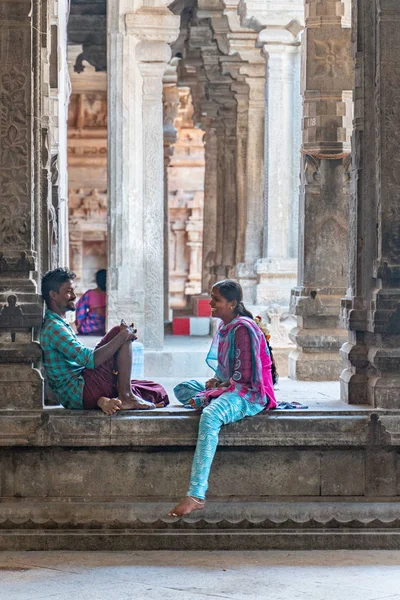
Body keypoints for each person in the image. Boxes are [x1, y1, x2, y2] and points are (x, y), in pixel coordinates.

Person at [169, 279, 277, 518]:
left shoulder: (243, 328)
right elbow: (226, 371)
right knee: (182, 388)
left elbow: (244, 376)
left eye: (216, 299)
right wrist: (216, 383)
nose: (211, 303)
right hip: (231, 387)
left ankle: (196, 494)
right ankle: (210, 398)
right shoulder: (226, 328)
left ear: (232, 303)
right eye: (212, 298)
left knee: (210, 416)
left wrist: (218, 388)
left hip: (249, 394)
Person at [40, 268, 169, 415]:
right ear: (53, 295)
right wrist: (124, 335)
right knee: (118, 332)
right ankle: (125, 397)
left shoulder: (59, 323)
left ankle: (108, 399)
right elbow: (91, 360)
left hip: (84, 386)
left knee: (156, 390)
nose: (74, 296)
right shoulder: (54, 328)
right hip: (79, 391)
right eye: (69, 291)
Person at [75, 269, 107, 335]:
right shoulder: (110, 295)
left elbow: (80, 312)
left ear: (96, 280)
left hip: (88, 328)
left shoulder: (89, 294)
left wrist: (79, 324)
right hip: (105, 328)